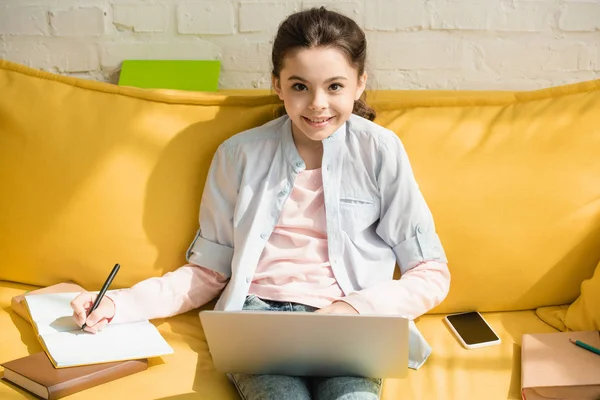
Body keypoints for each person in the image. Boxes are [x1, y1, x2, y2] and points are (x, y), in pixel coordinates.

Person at [71, 7, 450, 400]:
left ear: (359, 84)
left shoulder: (381, 151)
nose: (318, 103)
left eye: (335, 86)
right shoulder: (239, 155)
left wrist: (354, 309)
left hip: (351, 325)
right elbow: (207, 272)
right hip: (258, 320)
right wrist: (119, 303)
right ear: (278, 85)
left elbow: (430, 272)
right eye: (300, 86)